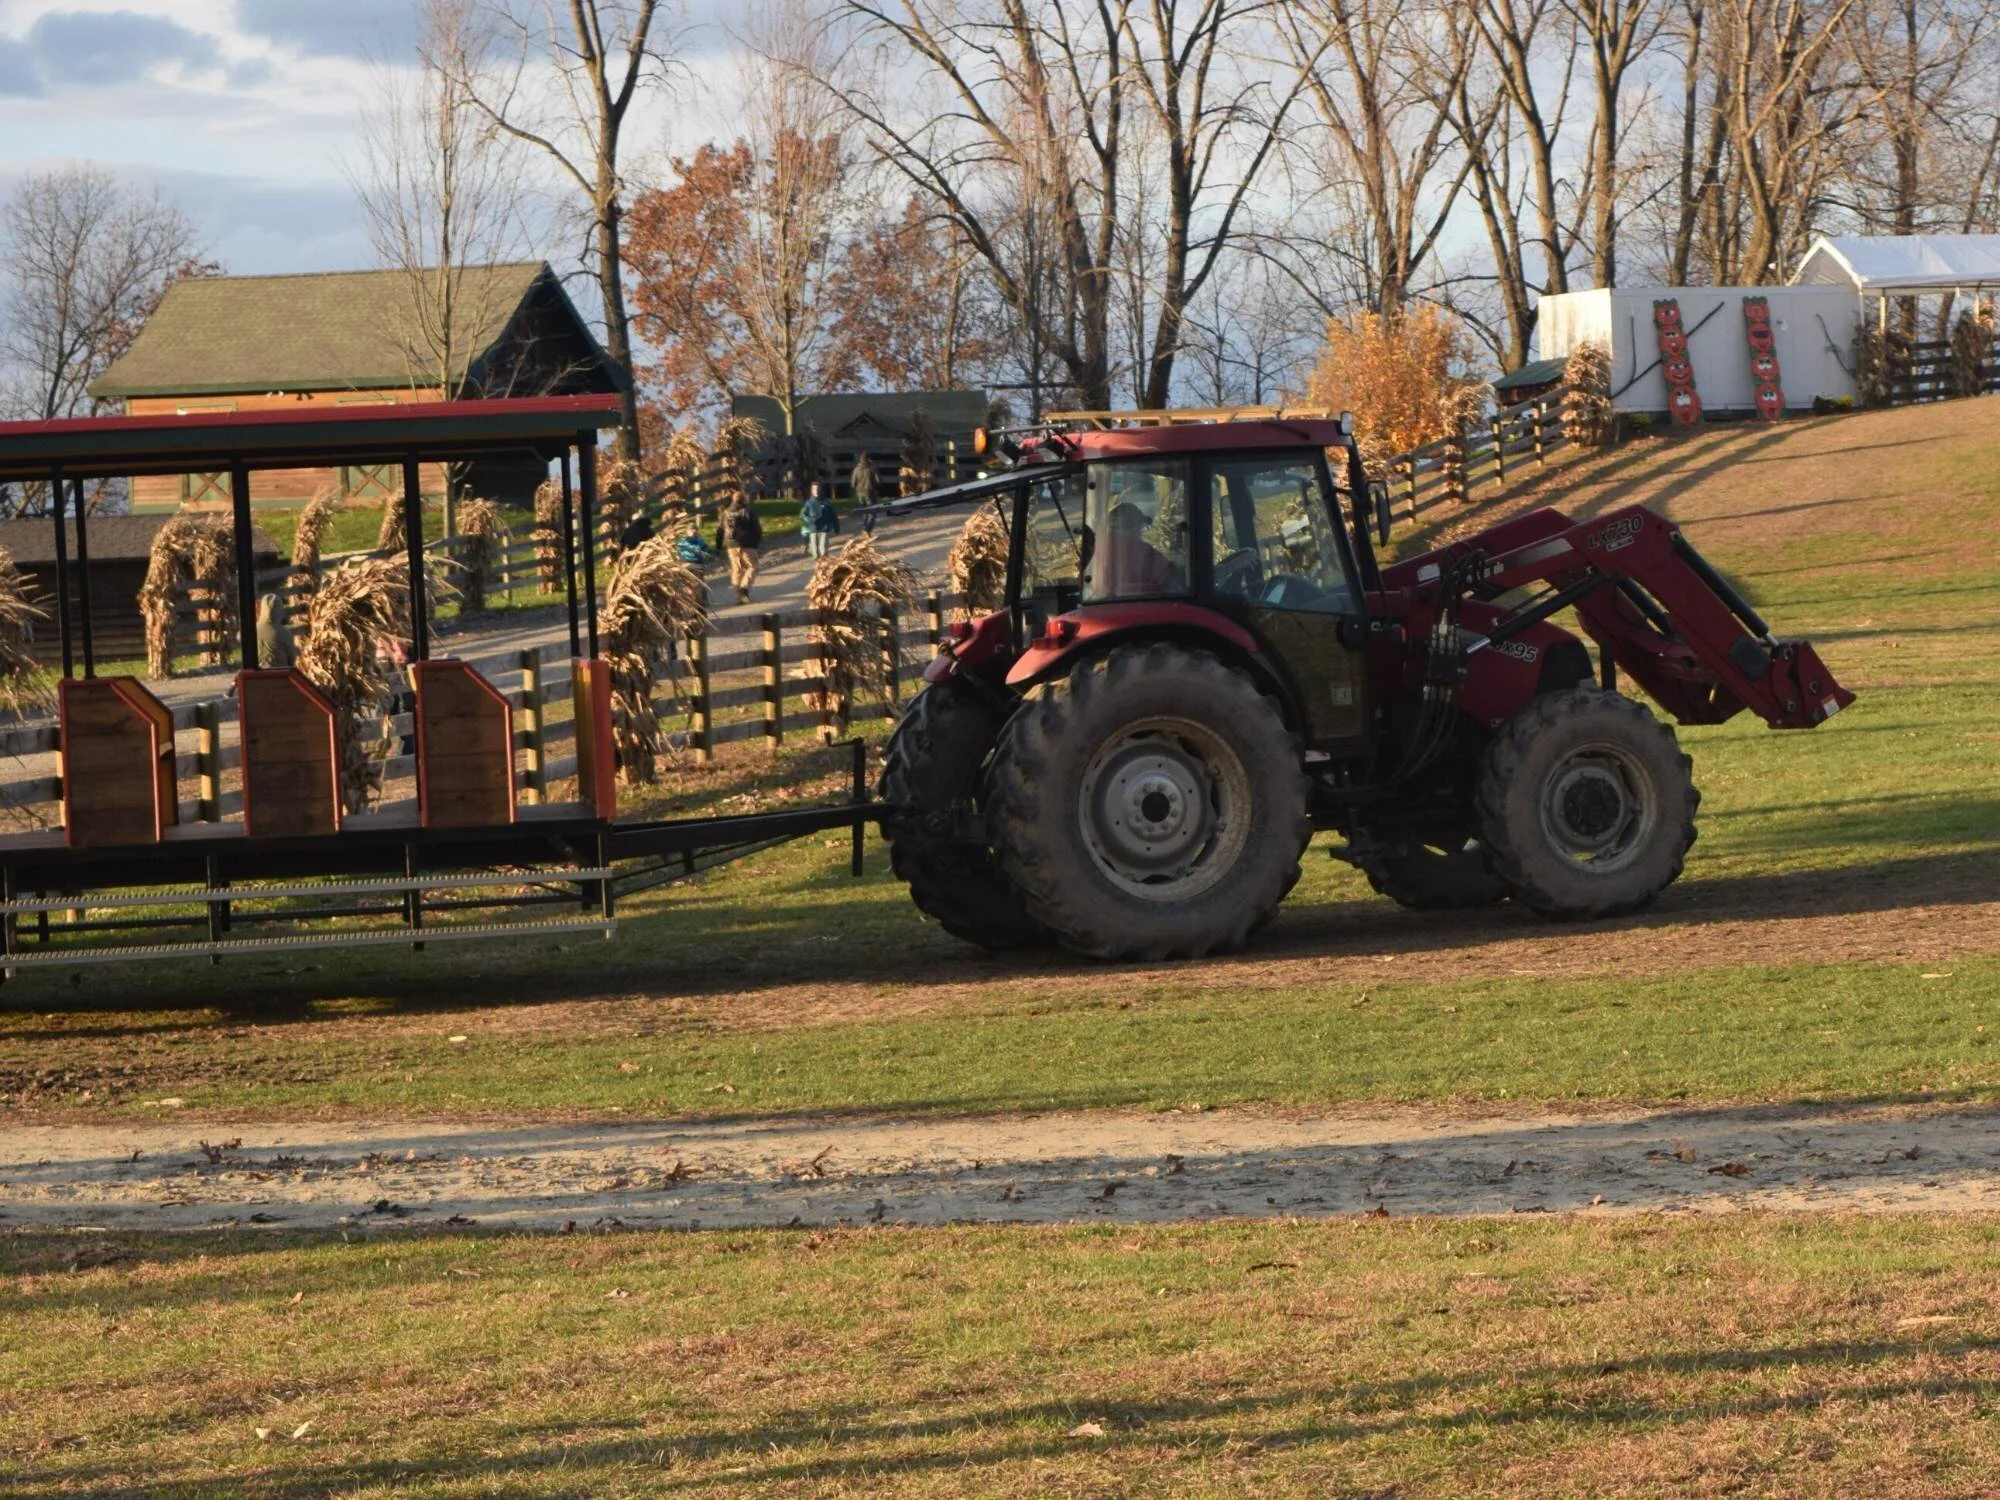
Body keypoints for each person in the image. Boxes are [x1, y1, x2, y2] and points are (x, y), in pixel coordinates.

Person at [716, 495, 763, 604]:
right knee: (753, 566)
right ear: (744, 500)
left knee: (737, 569)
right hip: (746, 544)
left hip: (731, 545)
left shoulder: (725, 512)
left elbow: (720, 530)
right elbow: (756, 529)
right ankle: (744, 589)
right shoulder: (748, 512)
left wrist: (718, 546)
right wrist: (756, 542)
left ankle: (739, 596)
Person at [255, 593, 295, 670]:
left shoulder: (253, 630)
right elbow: (292, 659)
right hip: (279, 674)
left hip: (256, 674)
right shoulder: (284, 633)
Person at [800, 483, 837, 560]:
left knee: (823, 550)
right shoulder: (809, 503)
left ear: (821, 490)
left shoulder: (826, 503)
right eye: (814, 489)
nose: (816, 491)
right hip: (813, 529)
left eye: (818, 489)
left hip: (824, 529)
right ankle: (817, 560)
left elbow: (833, 515)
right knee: (815, 553)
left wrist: (836, 527)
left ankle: (824, 563)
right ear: (812, 491)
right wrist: (810, 520)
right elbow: (803, 515)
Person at [849, 453, 878, 536]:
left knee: (865, 512)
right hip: (870, 493)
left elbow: (853, 483)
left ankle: (866, 529)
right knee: (872, 513)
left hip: (860, 494)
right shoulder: (872, 468)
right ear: (868, 459)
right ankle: (867, 530)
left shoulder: (856, 469)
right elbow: (878, 481)